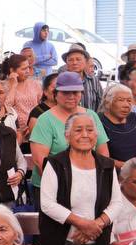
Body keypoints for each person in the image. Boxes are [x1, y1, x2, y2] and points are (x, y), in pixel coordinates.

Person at [39, 113, 123, 245]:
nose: (85, 134)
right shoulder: (55, 164)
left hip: (96, 238)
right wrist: (83, 224)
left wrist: (96, 225)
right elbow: (47, 203)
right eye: (78, 130)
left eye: (90, 130)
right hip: (62, 241)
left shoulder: (107, 165)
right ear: (67, 135)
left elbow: (117, 202)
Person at [28, 72, 109, 202]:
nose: (71, 96)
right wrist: (64, 186)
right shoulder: (45, 119)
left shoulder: (92, 116)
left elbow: (103, 151)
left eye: (76, 92)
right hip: (54, 185)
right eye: (66, 93)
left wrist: (100, 178)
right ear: (56, 94)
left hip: (88, 182)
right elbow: (39, 160)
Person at [100, 83, 136, 167]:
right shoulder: (98, 121)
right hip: (111, 172)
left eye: (129, 101)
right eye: (121, 100)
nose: (126, 105)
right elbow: (100, 156)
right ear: (108, 102)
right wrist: (127, 168)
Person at [4, 54, 42, 136]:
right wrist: (13, 86)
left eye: (28, 67)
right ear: (12, 71)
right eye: (24, 69)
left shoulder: (35, 84)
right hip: (16, 131)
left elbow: (41, 105)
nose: (28, 71)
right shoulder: (4, 86)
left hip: (36, 129)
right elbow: (7, 106)